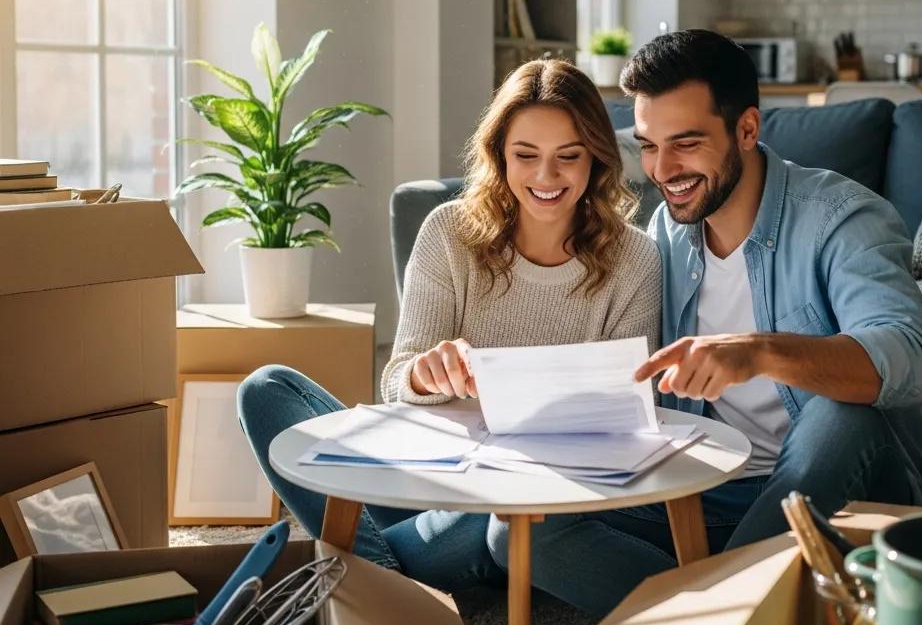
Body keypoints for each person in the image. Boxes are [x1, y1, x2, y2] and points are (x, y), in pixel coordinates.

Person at [487, 29, 922, 618]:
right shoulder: (668, 235)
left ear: (747, 130)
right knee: (520, 535)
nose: (662, 169)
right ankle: (728, 622)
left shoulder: (842, 218)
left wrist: (759, 352)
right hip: (710, 486)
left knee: (838, 415)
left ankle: (699, 624)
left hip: (835, 483)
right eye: (648, 145)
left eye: (686, 143)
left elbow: (910, 357)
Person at [237, 57, 662, 597]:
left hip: (519, 501)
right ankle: (395, 588)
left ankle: (381, 595)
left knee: (504, 519)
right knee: (266, 389)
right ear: (500, 155)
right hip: (424, 471)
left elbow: (629, 413)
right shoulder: (449, 233)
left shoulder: (635, 259)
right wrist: (422, 375)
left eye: (568, 158)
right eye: (525, 156)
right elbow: (395, 383)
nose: (545, 177)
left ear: (596, 159)